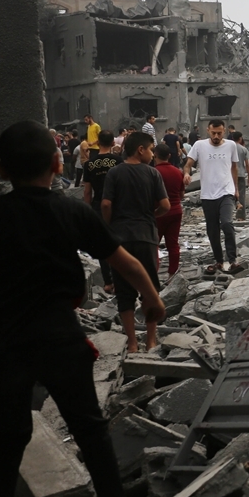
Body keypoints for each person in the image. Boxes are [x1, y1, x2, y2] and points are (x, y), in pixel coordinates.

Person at [0, 120, 162, 497]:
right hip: (59, 336)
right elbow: (124, 260)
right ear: (58, 164)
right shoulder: (69, 210)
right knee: (89, 428)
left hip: (2, 340)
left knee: (9, 436)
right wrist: (152, 298)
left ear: (0, 170)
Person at [101, 132, 168, 353]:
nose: (152, 154)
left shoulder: (114, 173)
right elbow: (166, 206)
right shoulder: (152, 174)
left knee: (124, 290)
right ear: (140, 149)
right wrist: (150, 214)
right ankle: (150, 340)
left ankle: (131, 343)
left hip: (120, 239)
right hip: (146, 236)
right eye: (150, 149)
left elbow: (106, 205)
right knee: (149, 289)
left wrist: (110, 227)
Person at [184, 119, 242, 275]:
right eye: (213, 133)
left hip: (226, 192)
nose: (216, 136)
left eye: (219, 133)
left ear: (224, 131)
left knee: (227, 224)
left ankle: (232, 260)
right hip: (208, 194)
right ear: (208, 131)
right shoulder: (199, 146)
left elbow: (234, 168)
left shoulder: (231, 145)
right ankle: (219, 261)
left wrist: (236, 189)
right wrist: (186, 173)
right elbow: (188, 163)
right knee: (212, 229)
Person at [83, 130, 119, 292]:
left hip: (98, 205)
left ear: (97, 142)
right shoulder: (118, 161)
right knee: (119, 242)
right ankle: (121, 279)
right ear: (113, 143)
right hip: (117, 206)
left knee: (104, 244)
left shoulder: (89, 164)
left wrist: (87, 212)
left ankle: (108, 282)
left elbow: (87, 192)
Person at [153, 145, 185, 279]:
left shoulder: (153, 172)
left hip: (157, 213)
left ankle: (153, 274)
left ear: (155, 155)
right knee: (173, 244)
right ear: (169, 156)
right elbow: (182, 194)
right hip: (176, 210)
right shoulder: (178, 172)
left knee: (154, 245)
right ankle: (172, 274)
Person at [232, 131, 249, 220]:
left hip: (230, 175)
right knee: (241, 195)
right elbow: (247, 164)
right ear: (240, 138)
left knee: (229, 194)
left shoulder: (229, 148)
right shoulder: (243, 149)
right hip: (240, 175)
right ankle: (240, 216)